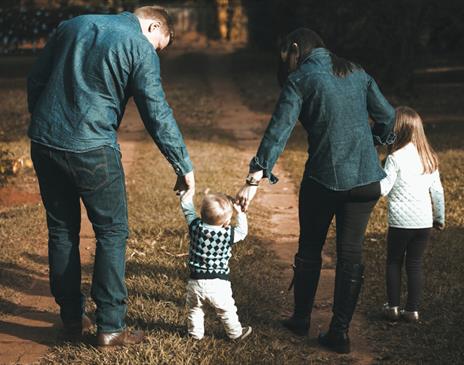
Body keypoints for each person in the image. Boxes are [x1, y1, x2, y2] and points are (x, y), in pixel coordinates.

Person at [27, 6, 195, 346]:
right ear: (152, 25)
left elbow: (36, 79)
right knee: (112, 232)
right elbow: (156, 112)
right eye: (158, 45)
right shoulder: (139, 47)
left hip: (45, 142)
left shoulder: (71, 25)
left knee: (61, 230)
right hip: (93, 149)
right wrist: (182, 165)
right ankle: (111, 326)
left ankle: (72, 320)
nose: (155, 53)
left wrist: (44, 123)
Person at [236, 28, 396, 354]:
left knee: (310, 248)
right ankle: (340, 333)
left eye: (288, 57)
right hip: (366, 181)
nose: (289, 64)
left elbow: (277, 134)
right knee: (350, 255)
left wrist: (253, 181)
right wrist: (374, 141)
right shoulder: (356, 71)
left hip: (323, 181)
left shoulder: (301, 79)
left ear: (296, 49)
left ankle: (300, 319)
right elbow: (389, 119)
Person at [380, 106, 445, 323]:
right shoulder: (429, 159)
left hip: (400, 223)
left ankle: (393, 308)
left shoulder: (395, 158)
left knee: (394, 262)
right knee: (415, 264)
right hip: (424, 223)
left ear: (397, 130)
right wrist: (439, 218)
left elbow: (384, 188)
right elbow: (437, 191)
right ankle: (412, 311)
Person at [180, 190, 252, 341]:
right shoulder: (227, 234)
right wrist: (240, 213)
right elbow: (242, 232)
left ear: (202, 214)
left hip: (195, 282)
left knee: (195, 309)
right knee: (226, 310)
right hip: (219, 283)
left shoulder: (195, 227)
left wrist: (185, 194)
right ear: (226, 222)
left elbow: (187, 210)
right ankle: (235, 333)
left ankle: (195, 335)